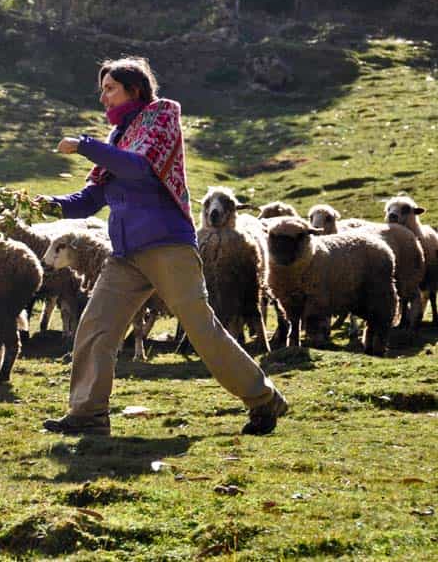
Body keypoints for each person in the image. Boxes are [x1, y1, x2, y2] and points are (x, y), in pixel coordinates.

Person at [38, 57, 288, 437]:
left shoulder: (161, 116)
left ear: (134, 89)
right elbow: (92, 198)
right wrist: (49, 204)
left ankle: (264, 399)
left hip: (167, 247)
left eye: (110, 88)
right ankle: (88, 415)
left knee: (202, 330)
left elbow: (139, 168)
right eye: (101, 90)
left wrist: (85, 145)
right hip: (126, 255)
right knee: (95, 327)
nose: (103, 98)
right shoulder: (116, 138)